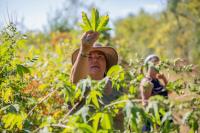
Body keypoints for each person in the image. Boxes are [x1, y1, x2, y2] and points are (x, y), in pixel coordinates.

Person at [70, 31, 124, 131]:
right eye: (89, 57)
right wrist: (84, 50)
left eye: (100, 57)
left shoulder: (117, 87)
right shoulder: (79, 86)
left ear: (106, 66)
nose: (95, 60)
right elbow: (76, 81)